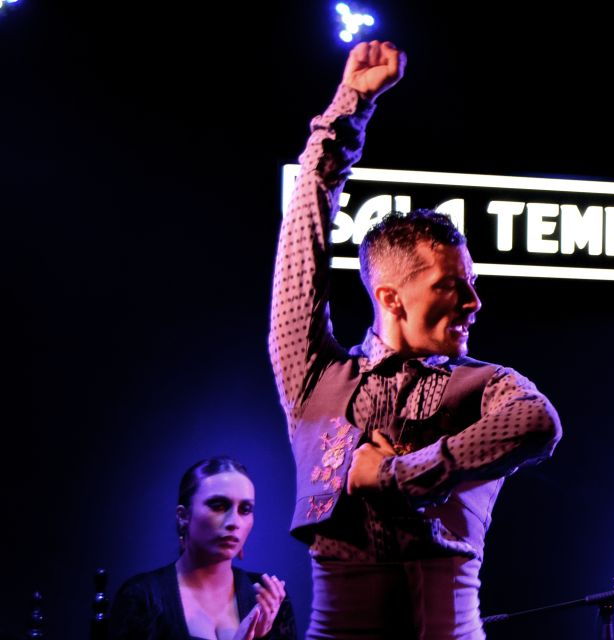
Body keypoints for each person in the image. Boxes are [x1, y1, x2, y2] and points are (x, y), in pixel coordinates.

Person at [268, 40, 562, 639]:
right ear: (391, 297)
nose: (474, 302)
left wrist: (402, 474)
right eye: (454, 286)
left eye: (473, 286)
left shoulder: (488, 384)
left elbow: (539, 422)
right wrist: (348, 108)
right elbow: (303, 248)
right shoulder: (314, 377)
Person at [108, 456, 296, 640]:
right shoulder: (143, 597)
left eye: (245, 510)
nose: (234, 522)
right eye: (219, 506)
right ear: (183, 516)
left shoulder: (265, 599)